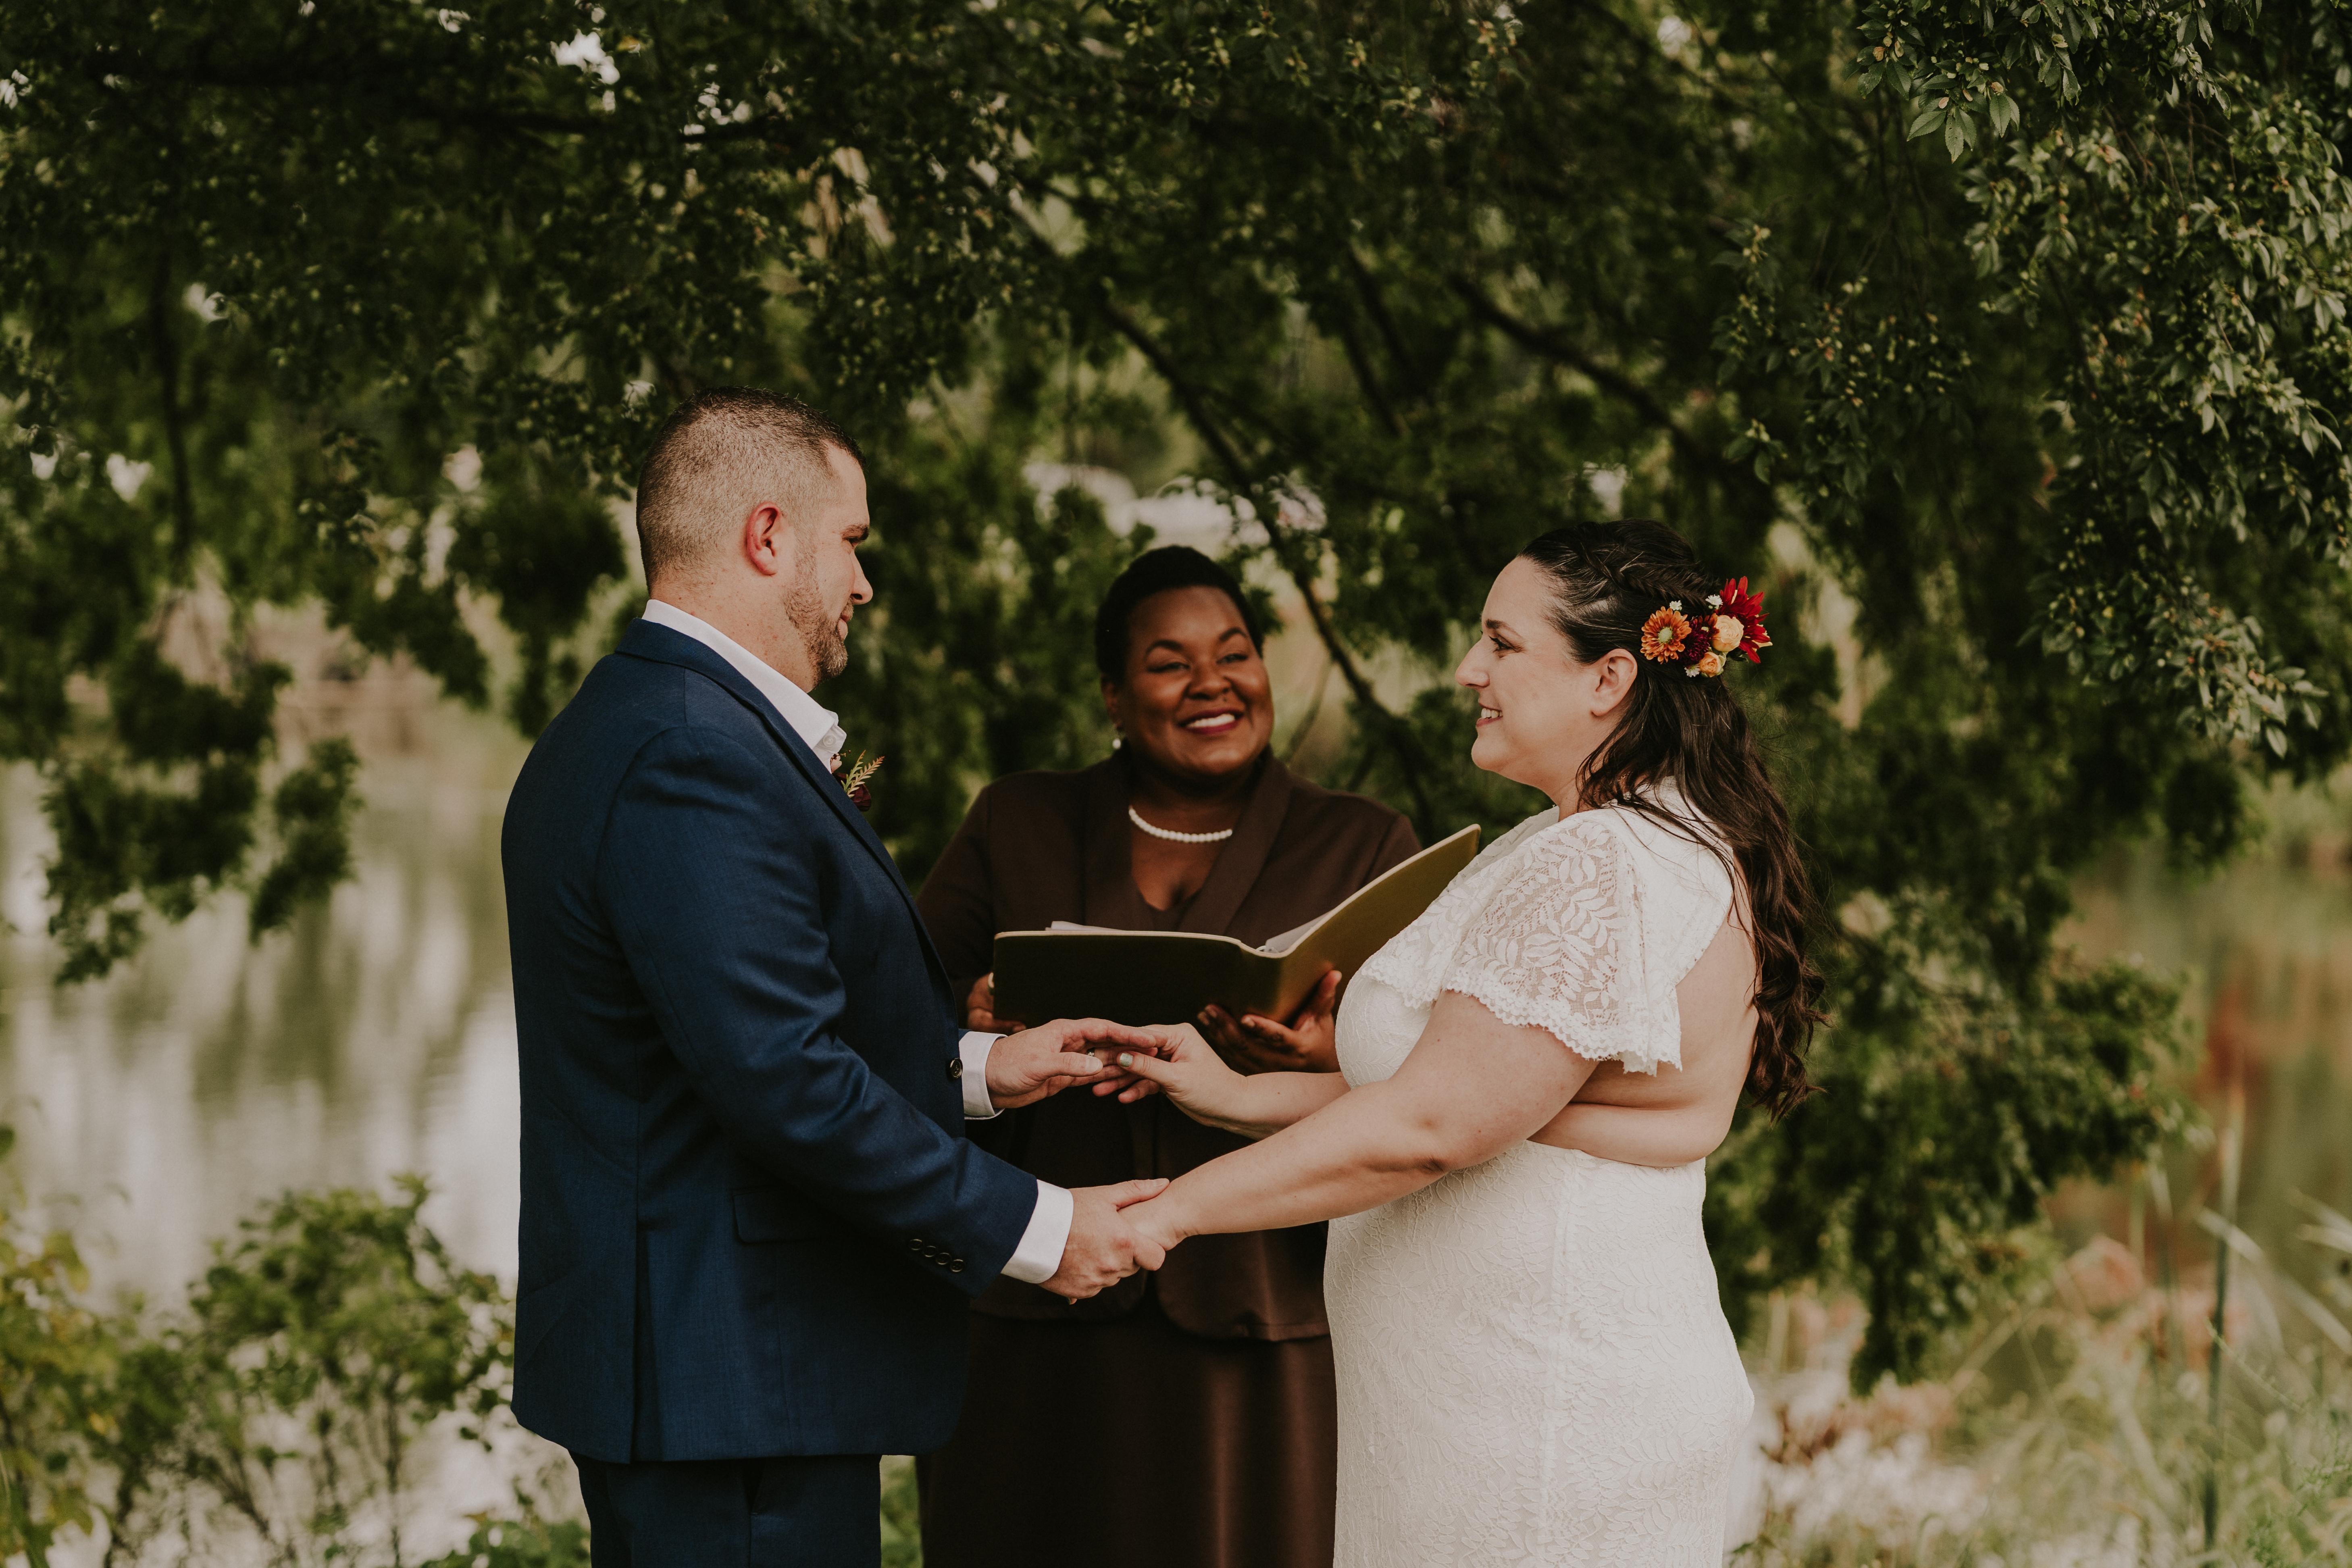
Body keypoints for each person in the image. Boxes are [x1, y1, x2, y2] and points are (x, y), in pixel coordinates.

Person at [500, 387, 1177, 1568]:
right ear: (768, 536)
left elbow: (720, 1042)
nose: (863, 583)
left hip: (731, 1377)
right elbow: (785, 1080)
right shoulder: (689, 752)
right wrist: (1039, 1226)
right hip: (729, 1387)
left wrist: (977, 1072)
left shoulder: (659, 718)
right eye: (852, 542)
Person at [1112, 519, 1823, 1566]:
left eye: (1501, 642)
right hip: (1492, 1408)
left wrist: (1164, 1215)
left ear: (1610, 678)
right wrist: (1234, 1094)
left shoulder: (1597, 865)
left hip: (1539, 1422)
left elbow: (1435, 1123)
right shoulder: (1593, 836)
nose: (1467, 669)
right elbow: (1472, 1087)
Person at [914, 547, 1421, 1568]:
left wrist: (1332, 1047)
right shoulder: (1016, 821)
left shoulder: (1365, 843)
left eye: (1233, 653)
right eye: (1168, 662)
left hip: (1266, 1312)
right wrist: (972, 1015)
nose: (1210, 683)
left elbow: (1430, 1082)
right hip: (1035, 1307)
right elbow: (896, 1018)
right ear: (1113, 693)